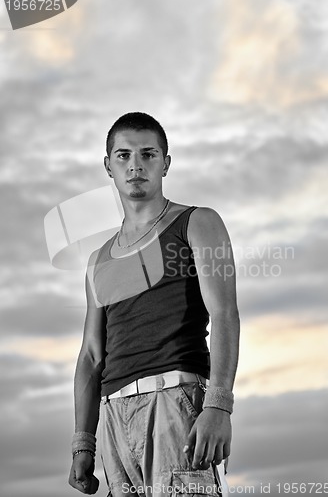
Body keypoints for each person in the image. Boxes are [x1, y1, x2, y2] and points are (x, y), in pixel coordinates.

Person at [68, 112, 240, 496]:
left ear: (166, 162)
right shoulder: (99, 260)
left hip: (175, 403)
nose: (136, 166)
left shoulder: (197, 223)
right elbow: (91, 357)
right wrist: (83, 442)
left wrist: (219, 406)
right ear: (108, 166)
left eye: (147, 154)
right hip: (113, 417)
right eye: (123, 156)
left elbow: (225, 314)